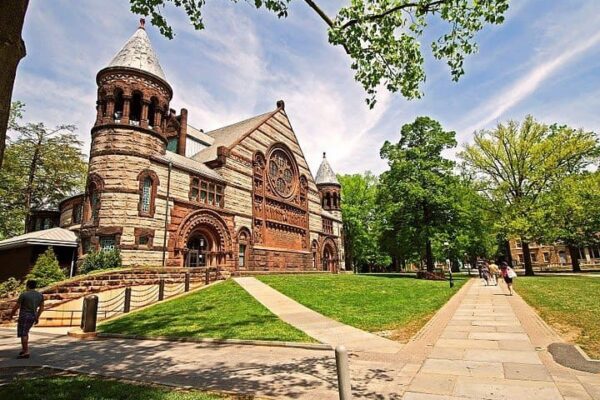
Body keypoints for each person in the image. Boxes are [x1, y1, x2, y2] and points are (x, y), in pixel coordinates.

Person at [10, 280, 44, 359]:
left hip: (24, 316)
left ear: (27, 285)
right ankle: (24, 349)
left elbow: (17, 306)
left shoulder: (24, 295)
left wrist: (11, 315)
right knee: (26, 332)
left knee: (23, 334)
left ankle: (26, 352)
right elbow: (42, 308)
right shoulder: (40, 295)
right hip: (33, 316)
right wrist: (37, 317)